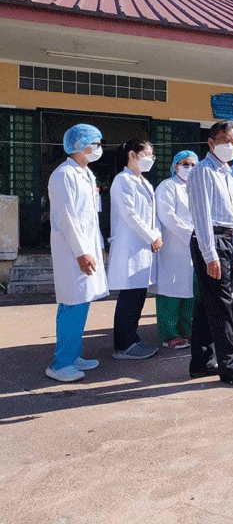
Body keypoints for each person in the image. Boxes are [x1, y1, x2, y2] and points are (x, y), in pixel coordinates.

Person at [186, 121, 233, 386]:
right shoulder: (202, 172)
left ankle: (201, 361)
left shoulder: (227, 173)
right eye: (225, 140)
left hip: (227, 238)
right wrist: (210, 254)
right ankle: (230, 365)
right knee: (222, 304)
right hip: (211, 240)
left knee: (207, 303)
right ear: (211, 142)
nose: (230, 146)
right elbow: (201, 215)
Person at [46, 124, 109, 382]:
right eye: (95, 143)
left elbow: (90, 216)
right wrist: (82, 252)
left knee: (81, 303)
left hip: (87, 247)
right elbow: (67, 218)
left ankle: (73, 355)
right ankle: (60, 364)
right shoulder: (63, 175)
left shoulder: (86, 174)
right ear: (79, 145)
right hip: (72, 252)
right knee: (72, 304)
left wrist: (96, 247)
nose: (99, 147)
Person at [107, 139, 161, 360]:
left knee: (138, 296)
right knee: (129, 297)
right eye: (146, 154)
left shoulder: (144, 182)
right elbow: (130, 215)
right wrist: (152, 236)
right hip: (129, 247)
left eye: (152, 155)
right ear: (132, 154)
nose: (150, 159)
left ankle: (132, 338)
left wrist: (156, 234)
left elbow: (152, 216)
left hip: (143, 248)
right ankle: (123, 346)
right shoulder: (122, 180)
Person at [154, 150, 198, 350]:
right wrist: (191, 235)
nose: (190, 168)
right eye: (185, 164)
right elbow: (167, 215)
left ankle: (186, 330)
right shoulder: (167, 186)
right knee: (171, 292)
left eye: (194, 164)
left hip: (195, 247)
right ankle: (169, 335)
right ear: (175, 167)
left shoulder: (197, 188)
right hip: (173, 247)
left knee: (190, 291)